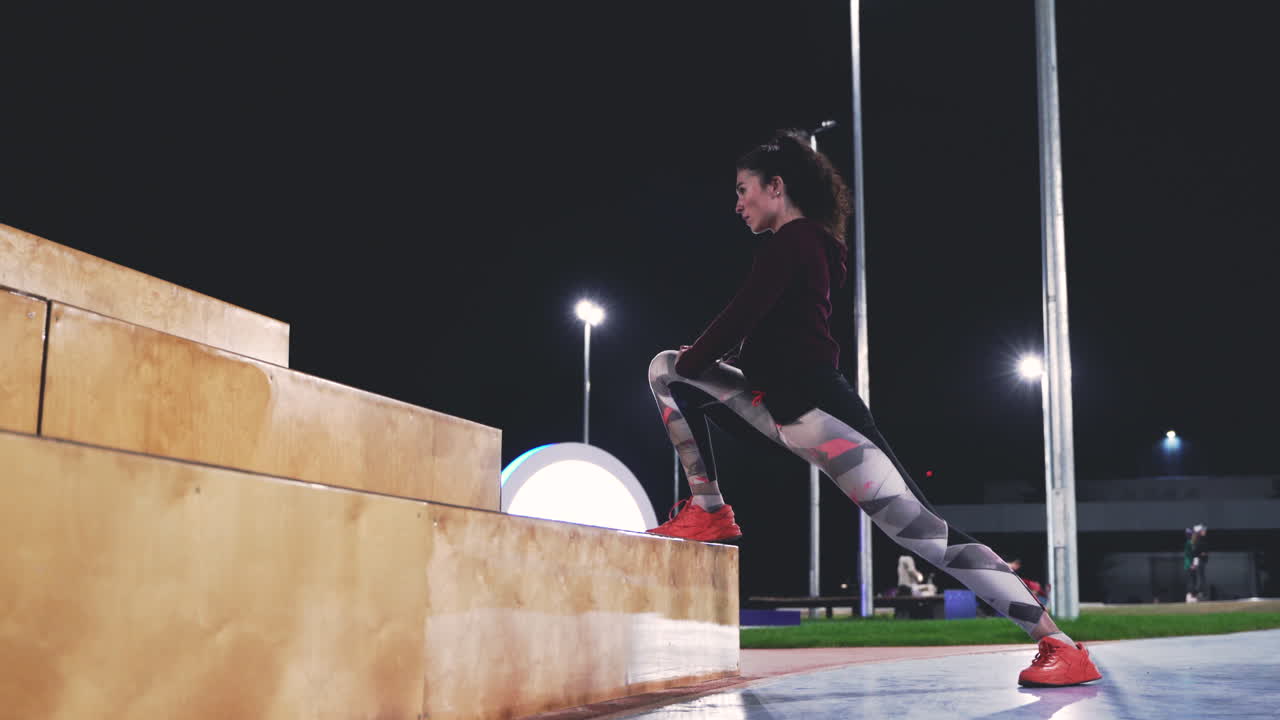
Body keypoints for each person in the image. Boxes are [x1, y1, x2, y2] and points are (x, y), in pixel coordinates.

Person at [644, 129, 1101, 687]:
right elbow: (762, 330)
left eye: (744, 190)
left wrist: (700, 364)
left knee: (930, 537)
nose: (737, 203)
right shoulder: (801, 247)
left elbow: (741, 316)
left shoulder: (797, 241)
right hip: (788, 416)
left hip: (828, 422)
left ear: (776, 187)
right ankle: (708, 509)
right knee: (668, 367)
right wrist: (701, 369)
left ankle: (1059, 644)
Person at [1185, 524, 1209, 602]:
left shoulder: (1201, 540)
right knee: (1197, 579)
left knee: (1199, 578)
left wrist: (1204, 554)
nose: (1204, 531)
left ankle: (1198, 594)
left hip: (1199, 561)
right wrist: (1193, 564)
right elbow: (1194, 553)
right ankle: (1195, 594)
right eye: (1202, 530)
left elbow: (1201, 552)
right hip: (1196, 562)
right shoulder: (1195, 541)